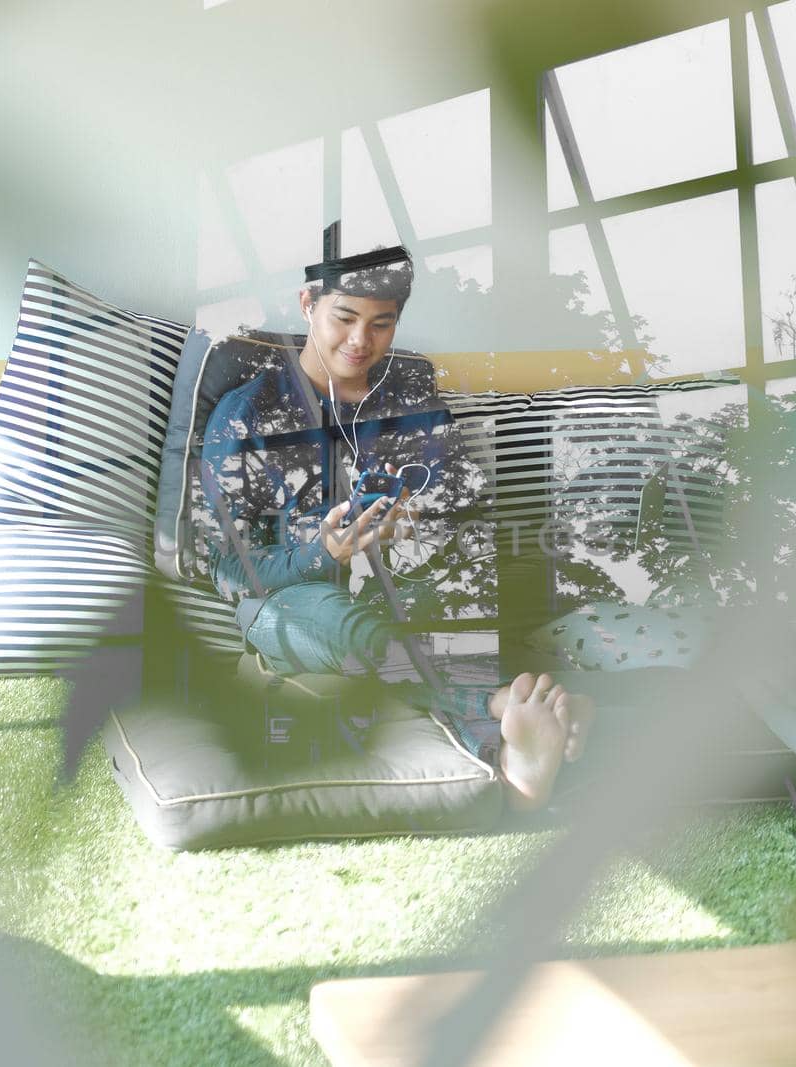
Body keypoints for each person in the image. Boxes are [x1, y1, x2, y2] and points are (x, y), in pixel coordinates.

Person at [199, 247, 594, 812]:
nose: (362, 340)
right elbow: (231, 567)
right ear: (307, 304)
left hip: (407, 587)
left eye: (381, 324)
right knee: (330, 621)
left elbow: (465, 502)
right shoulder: (249, 414)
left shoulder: (410, 397)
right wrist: (323, 553)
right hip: (294, 600)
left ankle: (519, 756)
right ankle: (509, 706)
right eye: (345, 318)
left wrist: (420, 524)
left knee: (454, 604)